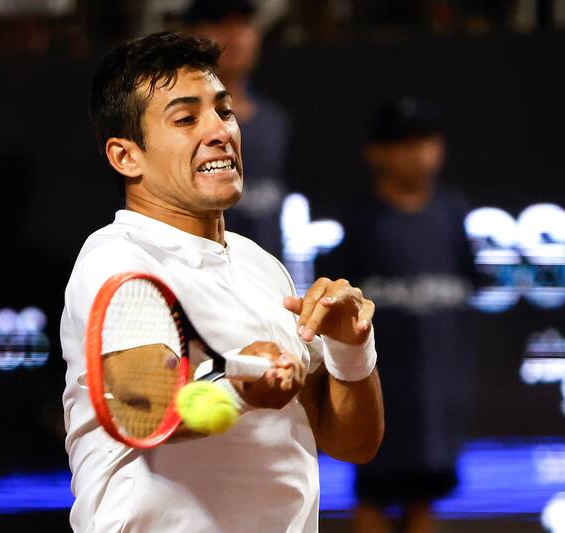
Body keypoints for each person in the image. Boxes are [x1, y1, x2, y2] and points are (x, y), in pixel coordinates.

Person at [60, 31, 383, 532]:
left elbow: (354, 443)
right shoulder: (116, 258)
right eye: (186, 118)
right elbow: (142, 407)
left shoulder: (262, 265)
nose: (219, 131)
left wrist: (350, 349)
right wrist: (235, 387)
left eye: (224, 111)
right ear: (126, 157)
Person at [320, 98, 476, 533]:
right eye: (403, 143)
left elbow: (466, 289)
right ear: (377, 153)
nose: (418, 153)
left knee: (426, 501)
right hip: (382, 392)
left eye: (426, 141)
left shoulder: (453, 213)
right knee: (373, 500)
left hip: (439, 394)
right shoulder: (360, 221)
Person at [180, 0, 291, 258]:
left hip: (269, 282)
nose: (235, 36)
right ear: (191, 36)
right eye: (220, 23)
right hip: (201, 273)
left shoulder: (275, 121)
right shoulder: (176, 122)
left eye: (243, 24)